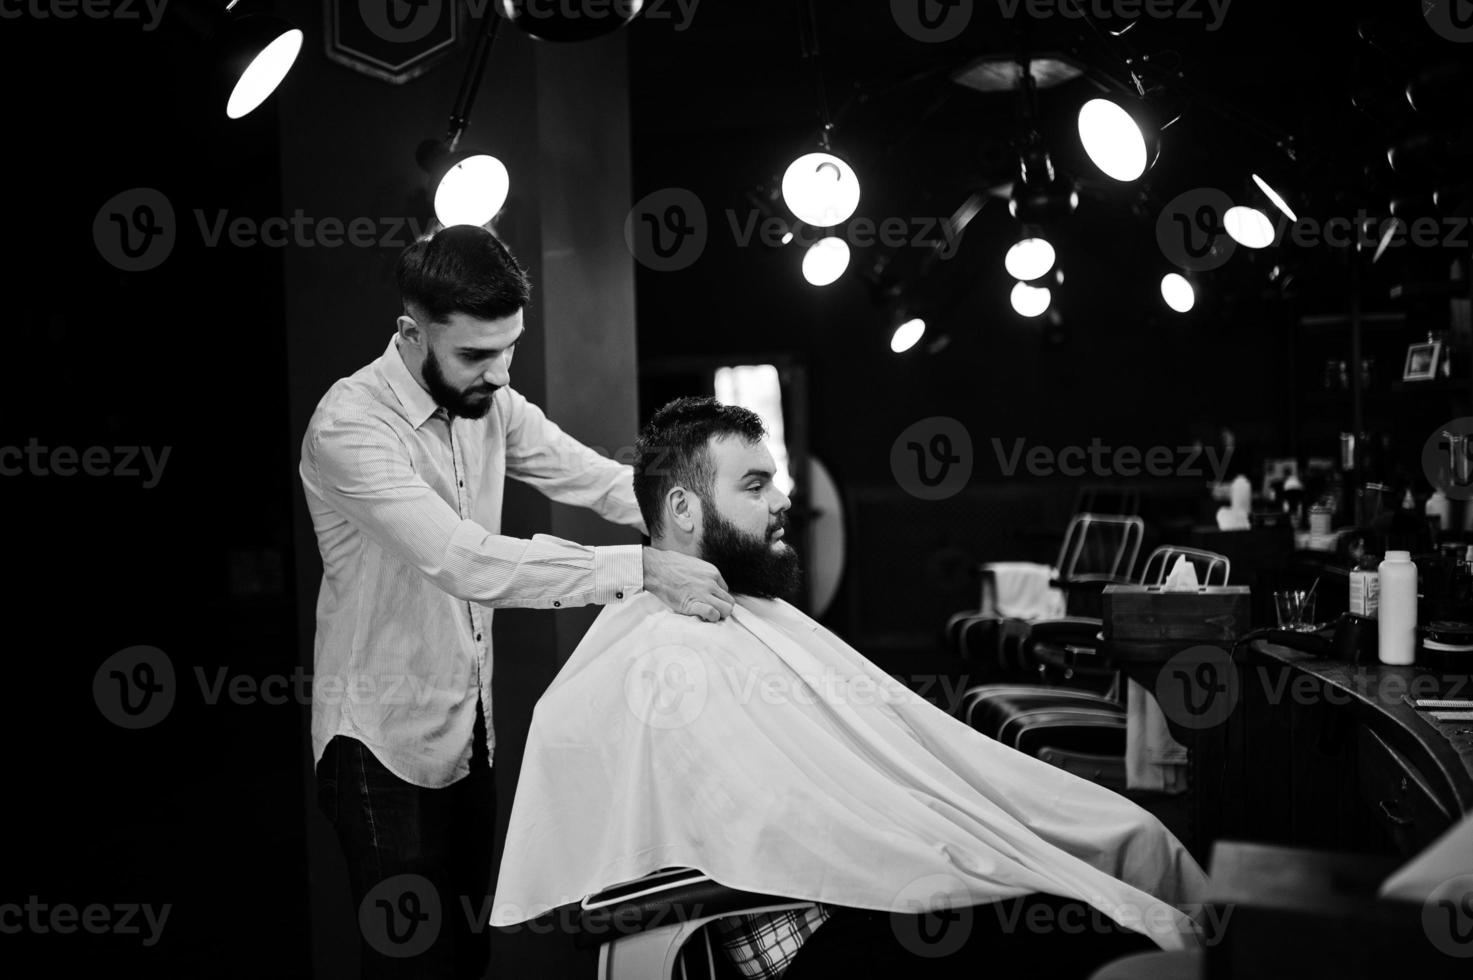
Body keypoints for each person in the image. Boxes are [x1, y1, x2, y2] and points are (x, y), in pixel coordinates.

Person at [491, 397, 1210, 978]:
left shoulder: (738, 617)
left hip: (854, 895)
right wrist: (925, 842)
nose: (780, 501)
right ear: (682, 510)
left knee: (1091, 881)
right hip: (812, 934)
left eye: (772, 480)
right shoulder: (667, 657)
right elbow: (768, 825)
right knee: (1082, 934)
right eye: (754, 484)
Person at [298, 228, 733, 979]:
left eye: (510, 349)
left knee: (469, 957)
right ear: (411, 332)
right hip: (378, 747)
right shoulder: (349, 426)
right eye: (475, 355)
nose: (499, 375)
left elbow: (594, 478)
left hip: (469, 733)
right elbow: (462, 561)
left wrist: (708, 516)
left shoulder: (487, 397)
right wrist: (646, 568)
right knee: (413, 970)